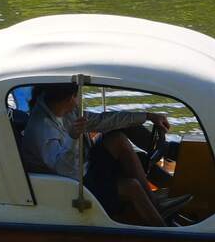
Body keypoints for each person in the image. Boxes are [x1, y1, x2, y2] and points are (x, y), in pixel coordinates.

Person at [21, 83, 176, 227]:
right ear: (70, 98)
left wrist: (147, 116)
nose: (78, 101)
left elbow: (102, 120)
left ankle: (155, 202)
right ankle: (164, 232)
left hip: (84, 166)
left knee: (117, 138)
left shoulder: (64, 111)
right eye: (77, 96)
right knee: (132, 186)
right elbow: (66, 170)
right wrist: (73, 138)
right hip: (71, 186)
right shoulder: (40, 129)